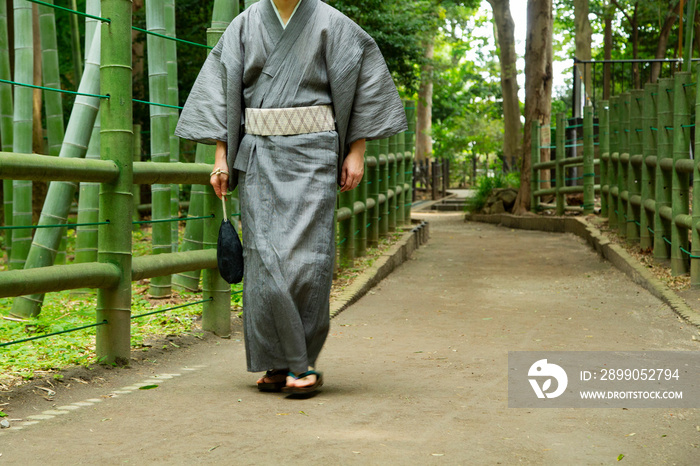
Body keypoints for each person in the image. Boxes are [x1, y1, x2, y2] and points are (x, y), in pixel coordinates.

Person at [175, 0, 407, 394]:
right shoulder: (244, 25)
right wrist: (220, 158)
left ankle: (300, 362)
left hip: (315, 156)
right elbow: (223, 92)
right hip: (259, 155)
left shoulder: (332, 23)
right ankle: (281, 362)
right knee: (264, 257)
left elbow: (362, 80)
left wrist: (357, 150)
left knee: (307, 258)